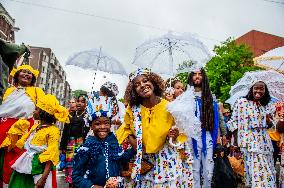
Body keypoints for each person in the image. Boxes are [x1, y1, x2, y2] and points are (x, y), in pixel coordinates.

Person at [116, 68, 193, 187]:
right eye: (137, 84)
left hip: (166, 161)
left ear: (153, 82)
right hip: (144, 163)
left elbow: (181, 134)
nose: (142, 85)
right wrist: (134, 143)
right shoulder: (132, 109)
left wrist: (174, 135)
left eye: (145, 81)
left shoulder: (169, 107)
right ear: (134, 91)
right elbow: (125, 130)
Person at [72, 95, 135, 188]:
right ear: (91, 126)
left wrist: (135, 148)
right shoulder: (86, 148)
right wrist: (91, 186)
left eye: (106, 123)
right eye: (97, 124)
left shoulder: (113, 142)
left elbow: (121, 159)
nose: (102, 127)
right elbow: (76, 177)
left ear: (110, 125)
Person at [9, 94, 69, 188]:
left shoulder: (53, 131)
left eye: (36, 109)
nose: (34, 111)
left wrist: (43, 179)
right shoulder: (35, 126)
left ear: (44, 112)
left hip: (39, 170)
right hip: (25, 166)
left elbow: (51, 156)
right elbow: (23, 145)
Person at [0, 65, 45, 187]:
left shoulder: (37, 91)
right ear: (17, 75)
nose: (26, 74)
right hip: (3, 127)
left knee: (15, 161)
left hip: (23, 130)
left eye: (29, 73)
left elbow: (44, 109)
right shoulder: (8, 90)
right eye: (23, 72)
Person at [228, 81, 276, 187]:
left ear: (265, 91)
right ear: (251, 89)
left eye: (261, 88)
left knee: (267, 171)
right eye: (256, 88)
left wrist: (268, 121)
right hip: (249, 144)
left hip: (265, 143)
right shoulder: (242, 102)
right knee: (258, 173)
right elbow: (232, 123)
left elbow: (271, 126)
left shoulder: (266, 105)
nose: (258, 91)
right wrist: (236, 143)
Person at [187, 68, 220, 188]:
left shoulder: (210, 97)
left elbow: (216, 120)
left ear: (203, 77)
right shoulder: (186, 97)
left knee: (208, 169)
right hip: (191, 137)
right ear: (190, 78)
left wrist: (217, 137)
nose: (197, 76)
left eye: (199, 74)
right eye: (194, 74)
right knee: (194, 169)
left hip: (207, 136)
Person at [60, 94, 88, 187]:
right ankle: (71, 185)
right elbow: (65, 131)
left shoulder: (88, 116)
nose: (79, 103)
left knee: (80, 166)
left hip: (82, 144)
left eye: (83, 101)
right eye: (78, 101)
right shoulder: (70, 114)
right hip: (70, 144)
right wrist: (62, 147)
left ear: (86, 104)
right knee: (70, 167)